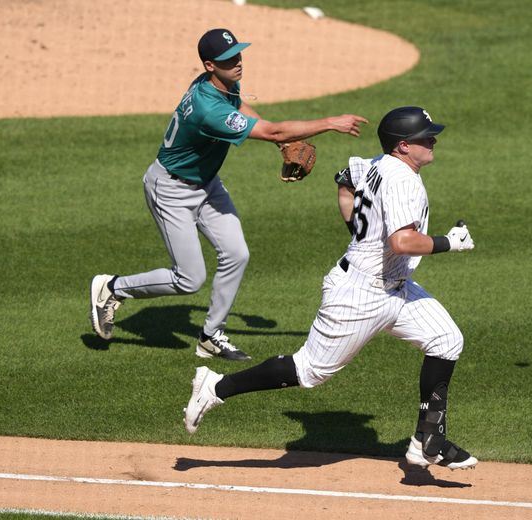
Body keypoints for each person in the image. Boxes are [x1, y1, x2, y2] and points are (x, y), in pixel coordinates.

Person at [183, 106, 478, 470]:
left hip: (396, 288)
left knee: (446, 340)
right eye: (425, 136)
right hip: (361, 294)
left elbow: (345, 180)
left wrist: (362, 233)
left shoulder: (376, 163)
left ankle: (427, 439)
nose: (432, 140)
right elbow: (403, 241)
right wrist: (450, 242)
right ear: (403, 146)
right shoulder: (403, 180)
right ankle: (215, 386)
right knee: (309, 371)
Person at [89, 28, 367, 361]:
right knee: (189, 279)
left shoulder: (216, 84)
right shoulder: (208, 110)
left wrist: (279, 141)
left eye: (237, 54)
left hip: (206, 184)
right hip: (171, 190)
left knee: (236, 254)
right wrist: (330, 122)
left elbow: (240, 105)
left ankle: (210, 335)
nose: (237, 63)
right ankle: (112, 288)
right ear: (209, 65)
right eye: (227, 60)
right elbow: (272, 129)